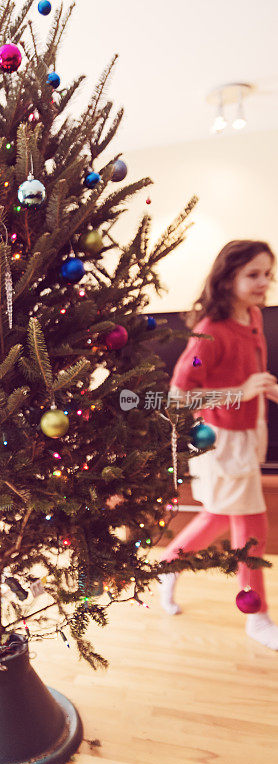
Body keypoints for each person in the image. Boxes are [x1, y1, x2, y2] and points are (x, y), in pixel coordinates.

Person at [159, 240, 278, 650]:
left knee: (218, 516)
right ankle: (256, 616)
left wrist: (260, 388)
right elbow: (180, 395)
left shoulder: (254, 317)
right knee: (252, 529)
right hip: (222, 441)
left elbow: (245, 374)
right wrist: (243, 391)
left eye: (268, 273)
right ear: (228, 279)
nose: (265, 282)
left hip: (248, 433)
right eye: (254, 274)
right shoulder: (209, 333)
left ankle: (166, 564)